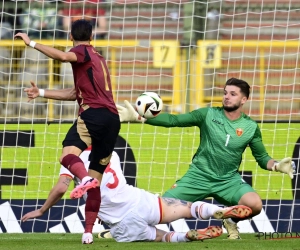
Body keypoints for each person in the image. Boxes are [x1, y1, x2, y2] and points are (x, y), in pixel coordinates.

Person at [116, 77, 296, 239]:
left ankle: (231, 221)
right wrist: (140, 117)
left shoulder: (250, 127)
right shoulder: (207, 115)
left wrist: (277, 165)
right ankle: (125, 227)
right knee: (160, 211)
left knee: (255, 204)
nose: (227, 97)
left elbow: (262, 157)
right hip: (198, 176)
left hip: (228, 180)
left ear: (243, 100)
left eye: (233, 94)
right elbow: (174, 120)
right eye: (225, 93)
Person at [15, 19, 120, 240]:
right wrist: (41, 93)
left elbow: (62, 57)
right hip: (112, 120)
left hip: (93, 114)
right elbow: (75, 93)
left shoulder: (81, 51)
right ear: (92, 36)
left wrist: (31, 43)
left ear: (70, 37)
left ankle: (83, 179)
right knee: (96, 181)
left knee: (67, 155)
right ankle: (89, 232)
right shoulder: (99, 59)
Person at [21, 147, 252, 243]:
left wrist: (42, 210)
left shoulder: (73, 158)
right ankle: (215, 210)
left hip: (120, 222)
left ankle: (186, 236)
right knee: (185, 207)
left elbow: (62, 188)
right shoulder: (111, 153)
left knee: (161, 237)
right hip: (139, 201)